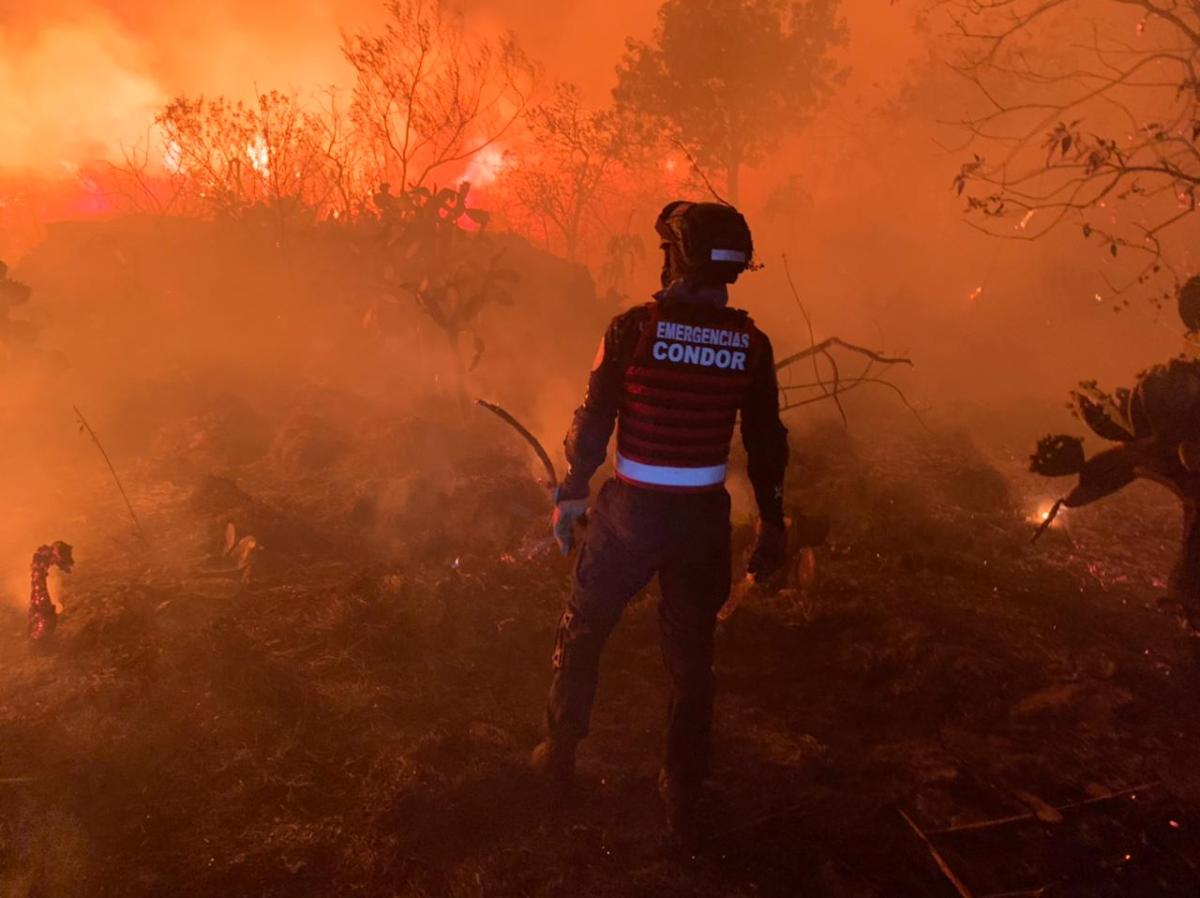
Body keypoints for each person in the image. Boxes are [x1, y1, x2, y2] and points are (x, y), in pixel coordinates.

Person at [531, 200, 791, 843]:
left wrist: (570, 492)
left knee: (584, 626)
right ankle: (682, 790)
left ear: (676, 255)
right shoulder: (752, 346)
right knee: (692, 660)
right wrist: (773, 526)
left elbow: (593, 422)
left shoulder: (631, 331)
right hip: (704, 522)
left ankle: (559, 754)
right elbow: (766, 444)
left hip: (631, 515)